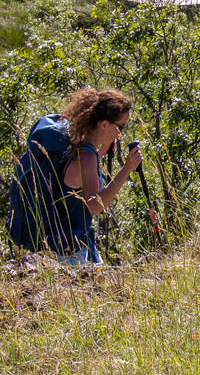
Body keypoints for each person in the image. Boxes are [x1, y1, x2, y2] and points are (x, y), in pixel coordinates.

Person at [47, 88, 141, 266]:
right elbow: (93, 206)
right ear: (104, 124)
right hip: (75, 251)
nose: (121, 133)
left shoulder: (79, 146)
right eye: (120, 127)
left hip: (68, 244)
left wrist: (102, 150)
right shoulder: (87, 156)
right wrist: (127, 168)